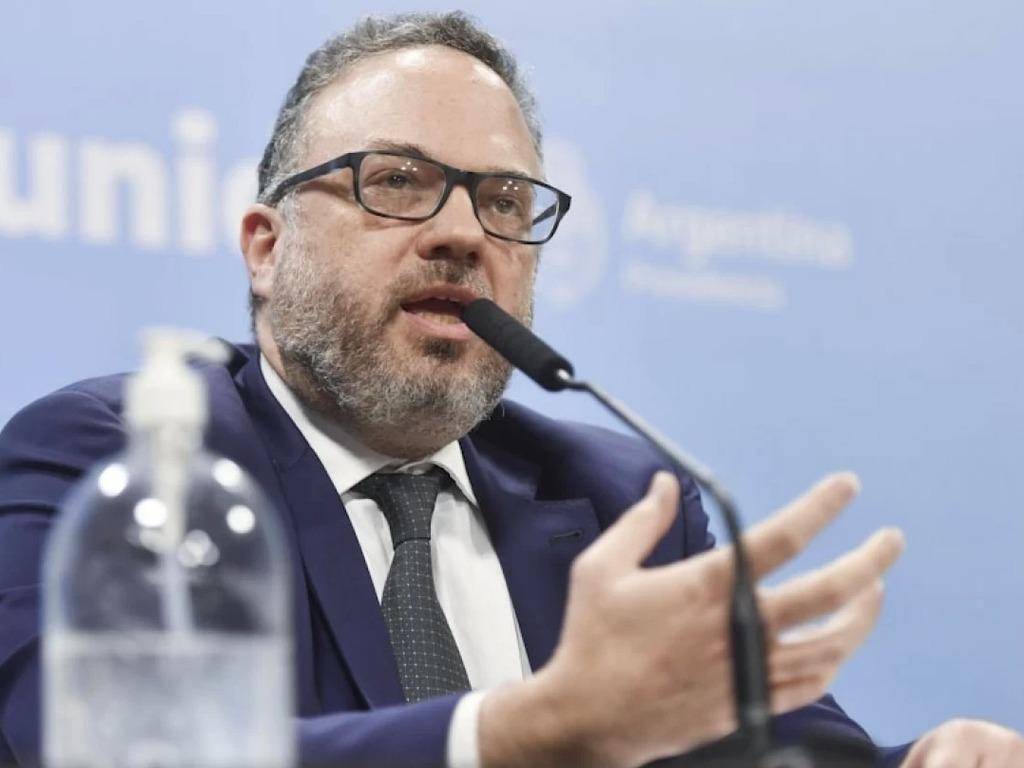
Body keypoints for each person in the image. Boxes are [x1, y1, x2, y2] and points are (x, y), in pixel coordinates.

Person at [0, 11, 1021, 768]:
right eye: (395, 181)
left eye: (502, 201)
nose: (460, 233)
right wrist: (522, 734)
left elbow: (775, 752)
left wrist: (927, 761)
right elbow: (108, 748)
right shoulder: (119, 465)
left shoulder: (621, 502)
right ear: (266, 248)